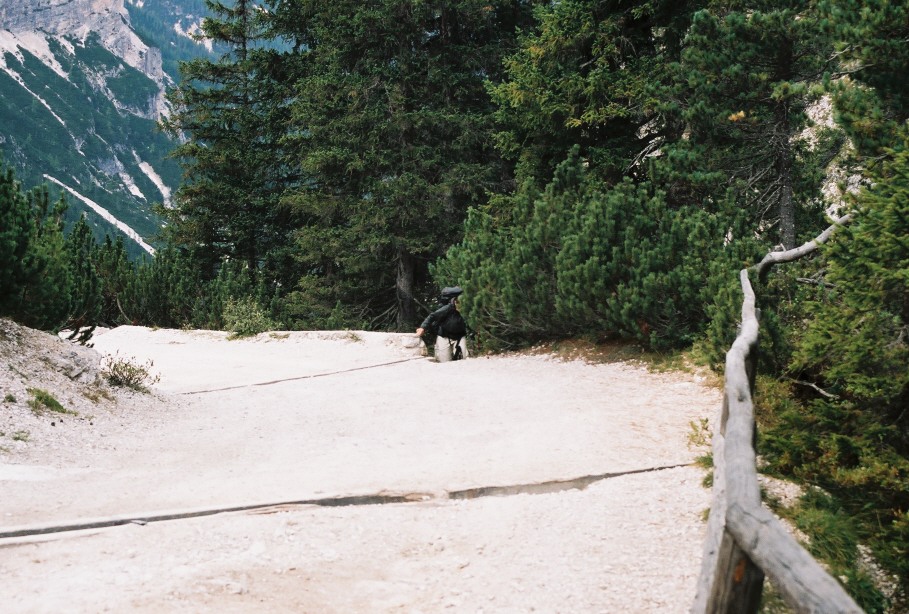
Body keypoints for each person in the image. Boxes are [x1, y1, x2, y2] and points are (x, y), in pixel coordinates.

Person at [416, 286, 468, 362]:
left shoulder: (466, 310)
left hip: (460, 337)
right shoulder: (447, 308)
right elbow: (432, 316)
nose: (460, 304)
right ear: (454, 301)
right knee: (444, 362)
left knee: (464, 359)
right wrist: (422, 328)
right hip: (444, 337)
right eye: (458, 302)